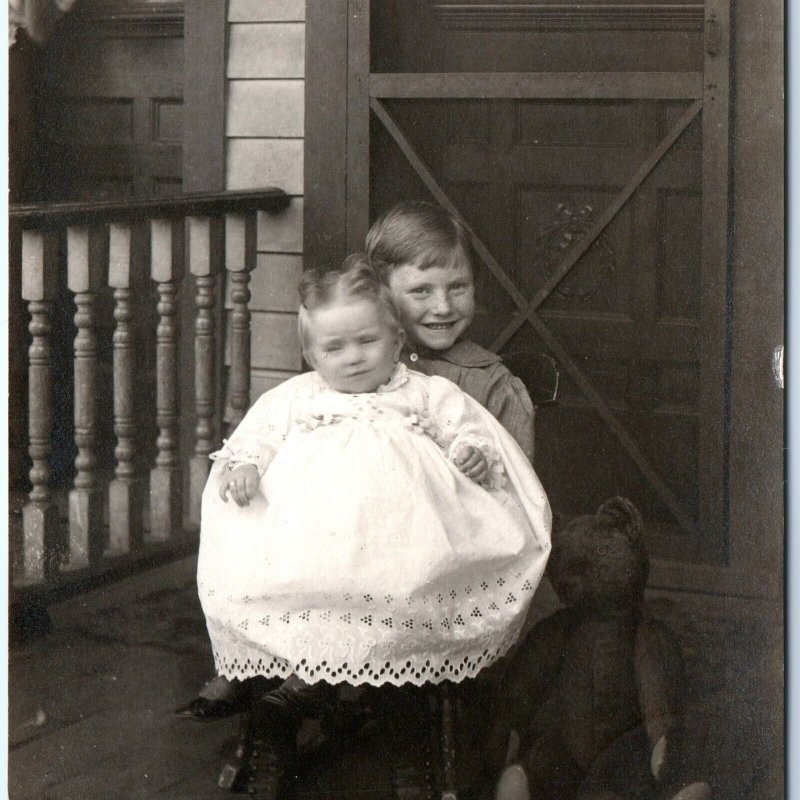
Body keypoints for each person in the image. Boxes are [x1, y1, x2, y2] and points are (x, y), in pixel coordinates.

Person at [195, 256, 551, 799]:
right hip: (313, 554)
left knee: (403, 613)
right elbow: (255, 436)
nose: (353, 358)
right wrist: (245, 466)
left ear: (395, 338)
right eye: (333, 348)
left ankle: (409, 747)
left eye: (367, 341)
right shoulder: (298, 398)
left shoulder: (424, 392)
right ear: (312, 355)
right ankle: (291, 703)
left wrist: (470, 453)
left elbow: (466, 429)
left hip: (402, 553)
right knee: (305, 599)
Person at [366, 200, 535, 463]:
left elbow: (517, 486)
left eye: (457, 287)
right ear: (381, 292)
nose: (443, 307)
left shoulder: (492, 386)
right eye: (421, 290)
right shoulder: (365, 368)